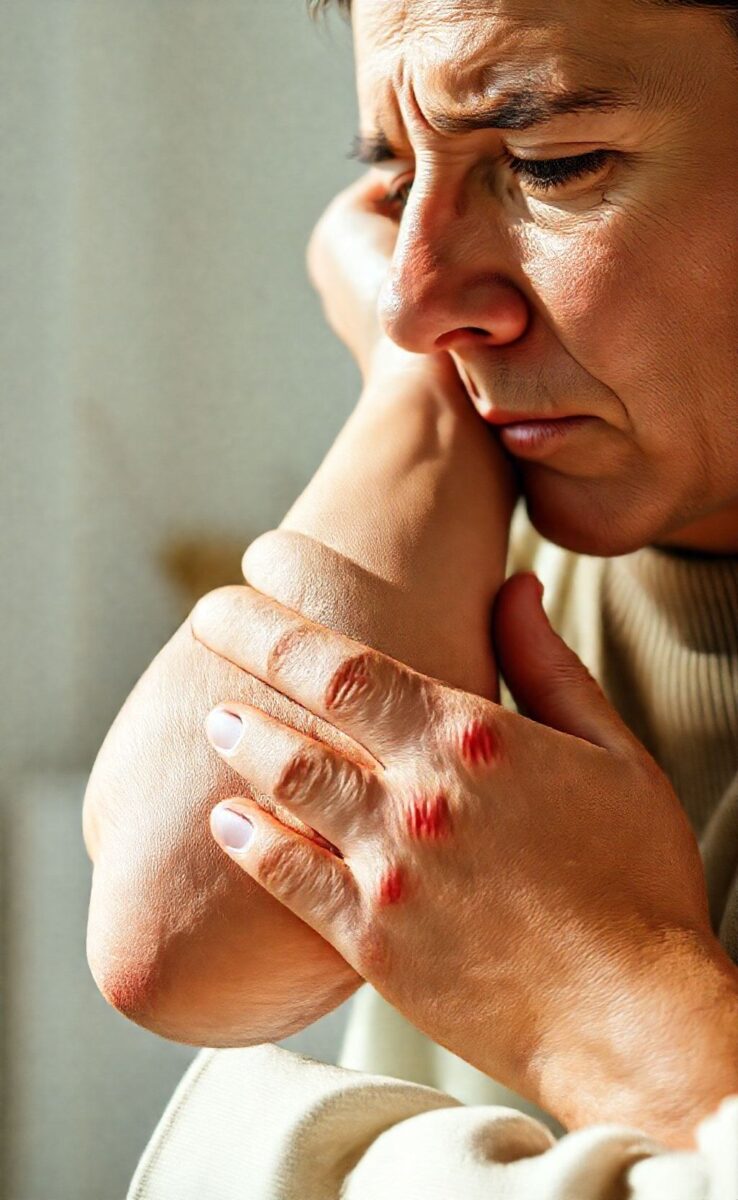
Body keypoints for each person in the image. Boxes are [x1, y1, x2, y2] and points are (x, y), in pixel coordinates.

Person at [84, 0, 738, 1193]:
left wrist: (612, 996)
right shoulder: (498, 544)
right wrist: (410, 395)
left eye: (554, 163)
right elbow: (174, 945)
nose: (409, 295)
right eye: (392, 175)